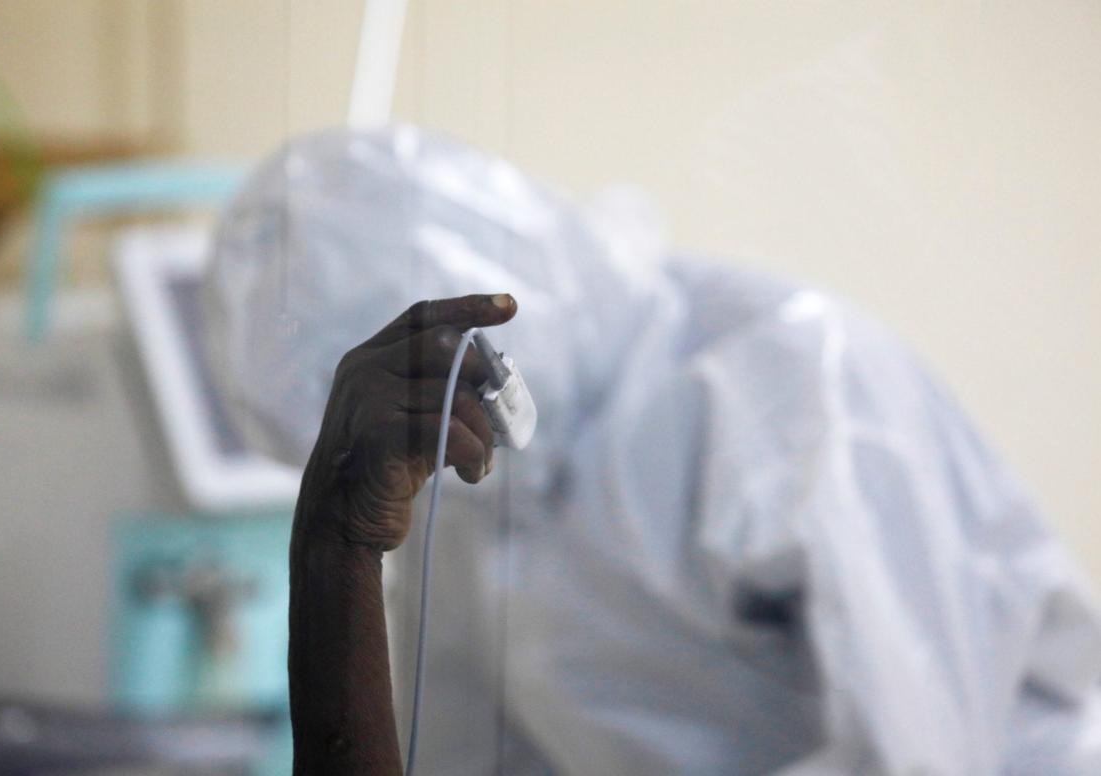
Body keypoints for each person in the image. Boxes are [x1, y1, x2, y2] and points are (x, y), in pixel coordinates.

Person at [205, 126, 1101, 774]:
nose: (433, 467)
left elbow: (924, 749)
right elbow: (457, 747)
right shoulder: (479, 492)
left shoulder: (786, 387)